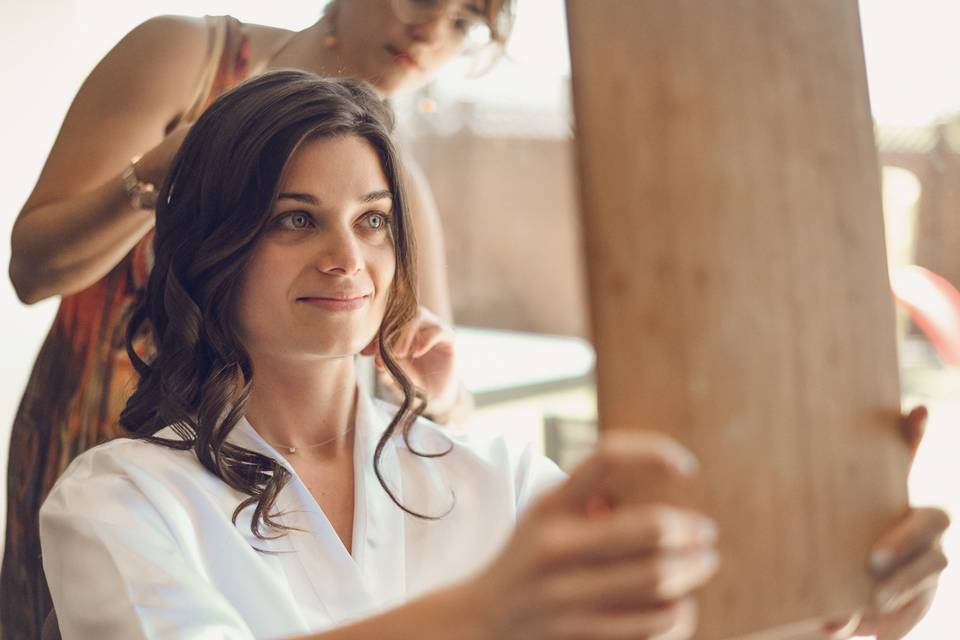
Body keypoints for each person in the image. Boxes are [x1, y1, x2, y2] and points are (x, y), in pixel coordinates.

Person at [39, 70, 948, 640]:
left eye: (374, 222)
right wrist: (488, 615)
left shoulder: (495, 475)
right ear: (211, 243)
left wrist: (841, 605)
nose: (346, 259)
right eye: (294, 219)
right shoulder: (119, 500)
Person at [4, 1, 507, 634]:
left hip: (293, 471)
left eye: (464, 23)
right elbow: (32, 270)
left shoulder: (397, 181)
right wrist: (167, 172)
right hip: (108, 431)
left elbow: (425, 376)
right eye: (295, 218)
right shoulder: (186, 60)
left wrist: (442, 399)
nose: (433, 32)